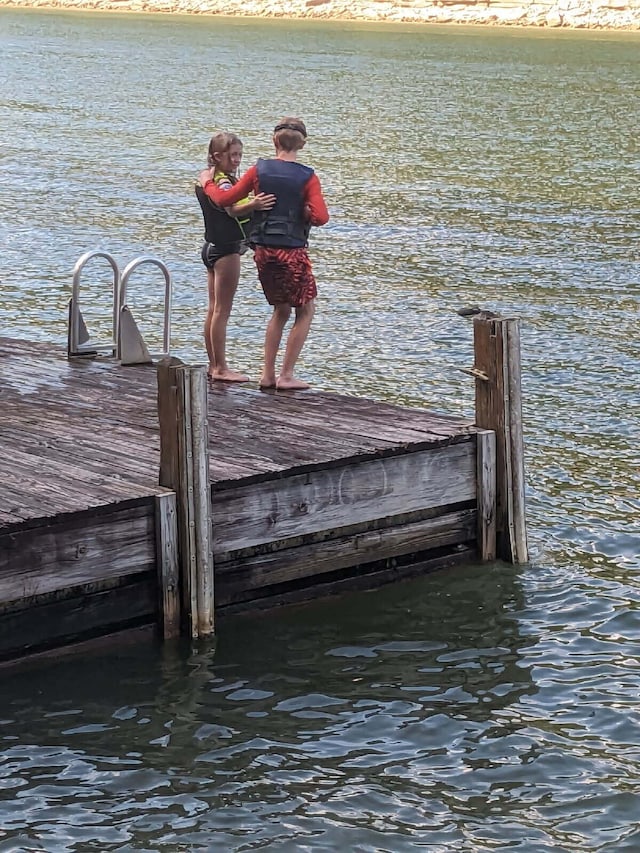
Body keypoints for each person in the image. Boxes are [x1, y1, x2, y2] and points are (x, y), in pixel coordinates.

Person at [199, 117, 329, 391]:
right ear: (302, 145)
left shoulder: (258, 170)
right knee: (305, 310)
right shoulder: (308, 176)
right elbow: (321, 217)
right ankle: (286, 375)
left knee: (280, 309)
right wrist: (304, 212)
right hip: (292, 251)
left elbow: (224, 200)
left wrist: (207, 182)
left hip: (263, 250)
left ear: (274, 141)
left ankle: (267, 375)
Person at [195, 131, 275, 382]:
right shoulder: (224, 182)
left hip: (210, 247)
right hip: (226, 250)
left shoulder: (208, 178)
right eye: (232, 156)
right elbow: (231, 209)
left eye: (240, 155)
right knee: (222, 311)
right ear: (217, 156)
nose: (237, 160)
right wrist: (255, 205)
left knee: (213, 309)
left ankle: (213, 365)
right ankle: (221, 368)